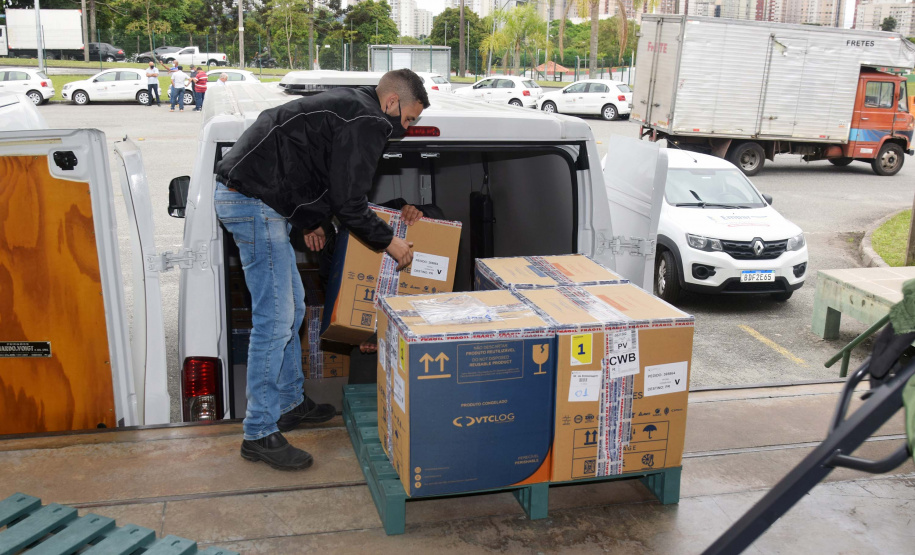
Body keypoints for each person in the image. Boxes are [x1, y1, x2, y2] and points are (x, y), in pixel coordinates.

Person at [213, 69, 430, 471]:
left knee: (293, 310)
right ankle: (258, 432)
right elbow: (349, 201)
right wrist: (390, 241)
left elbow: (307, 163)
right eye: (409, 119)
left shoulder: (353, 105)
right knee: (274, 320)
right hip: (252, 202)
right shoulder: (367, 119)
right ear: (392, 102)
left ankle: (289, 403)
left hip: (262, 198)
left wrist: (309, 220)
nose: (406, 128)